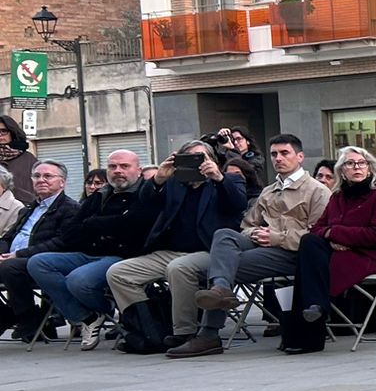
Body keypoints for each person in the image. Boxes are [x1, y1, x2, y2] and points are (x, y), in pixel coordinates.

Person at [166, 135, 331, 357]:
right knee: (224, 235)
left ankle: (209, 334)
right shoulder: (269, 191)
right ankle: (220, 290)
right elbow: (246, 225)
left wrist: (277, 237)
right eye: (274, 154)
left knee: (224, 265)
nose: (278, 159)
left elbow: (318, 238)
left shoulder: (317, 191)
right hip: (262, 247)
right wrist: (255, 233)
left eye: (285, 153)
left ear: (300, 157)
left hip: (293, 255)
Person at [106, 142, 248, 347]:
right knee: (118, 273)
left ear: (212, 160)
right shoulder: (174, 183)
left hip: (211, 252)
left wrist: (218, 177)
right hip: (169, 251)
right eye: (189, 159)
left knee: (179, 268)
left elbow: (238, 204)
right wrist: (158, 179)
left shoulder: (229, 180)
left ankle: (184, 333)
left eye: (202, 158)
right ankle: (149, 330)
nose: (197, 164)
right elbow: (144, 206)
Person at [28, 149, 158, 348]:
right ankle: (87, 316)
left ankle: (107, 310)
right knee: (39, 262)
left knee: (78, 280)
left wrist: (95, 225)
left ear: (138, 170)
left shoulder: (146, 193)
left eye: (124, 166)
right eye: (113, 166)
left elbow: (134, 228)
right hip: (88, 253)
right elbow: (71, 232)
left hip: (122, 256)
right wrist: (109, 226)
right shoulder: (100, 194)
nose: (117, 171)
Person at [280, 146, 376, 353]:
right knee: (309, 244)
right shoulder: (338, 197)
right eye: (350, 164)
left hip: (372, 255)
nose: (357, 167)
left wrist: (334, 233)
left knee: (311, 271)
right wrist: (330, 235)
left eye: (362, 163)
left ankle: (309, 329)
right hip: (340, 252)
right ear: (341, 170)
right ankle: (315, 308)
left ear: (370, 168)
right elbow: (318, 229)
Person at [0, 160, 81, 339]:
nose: (41, 180)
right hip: (12, 259)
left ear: (62, 182)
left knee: (9, 267)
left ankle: (28, 319)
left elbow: (62, 243)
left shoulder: (70, 208)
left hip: (42, 262)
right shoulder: (30, 208)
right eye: (37, 176)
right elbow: (7, 237)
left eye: (48, 176)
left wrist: (17, 254)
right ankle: (5, 314)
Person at [0, 114, 36, 205]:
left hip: (23, 210)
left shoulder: (28, 159)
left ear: (12, 132)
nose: (0, 135)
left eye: (3, 131)